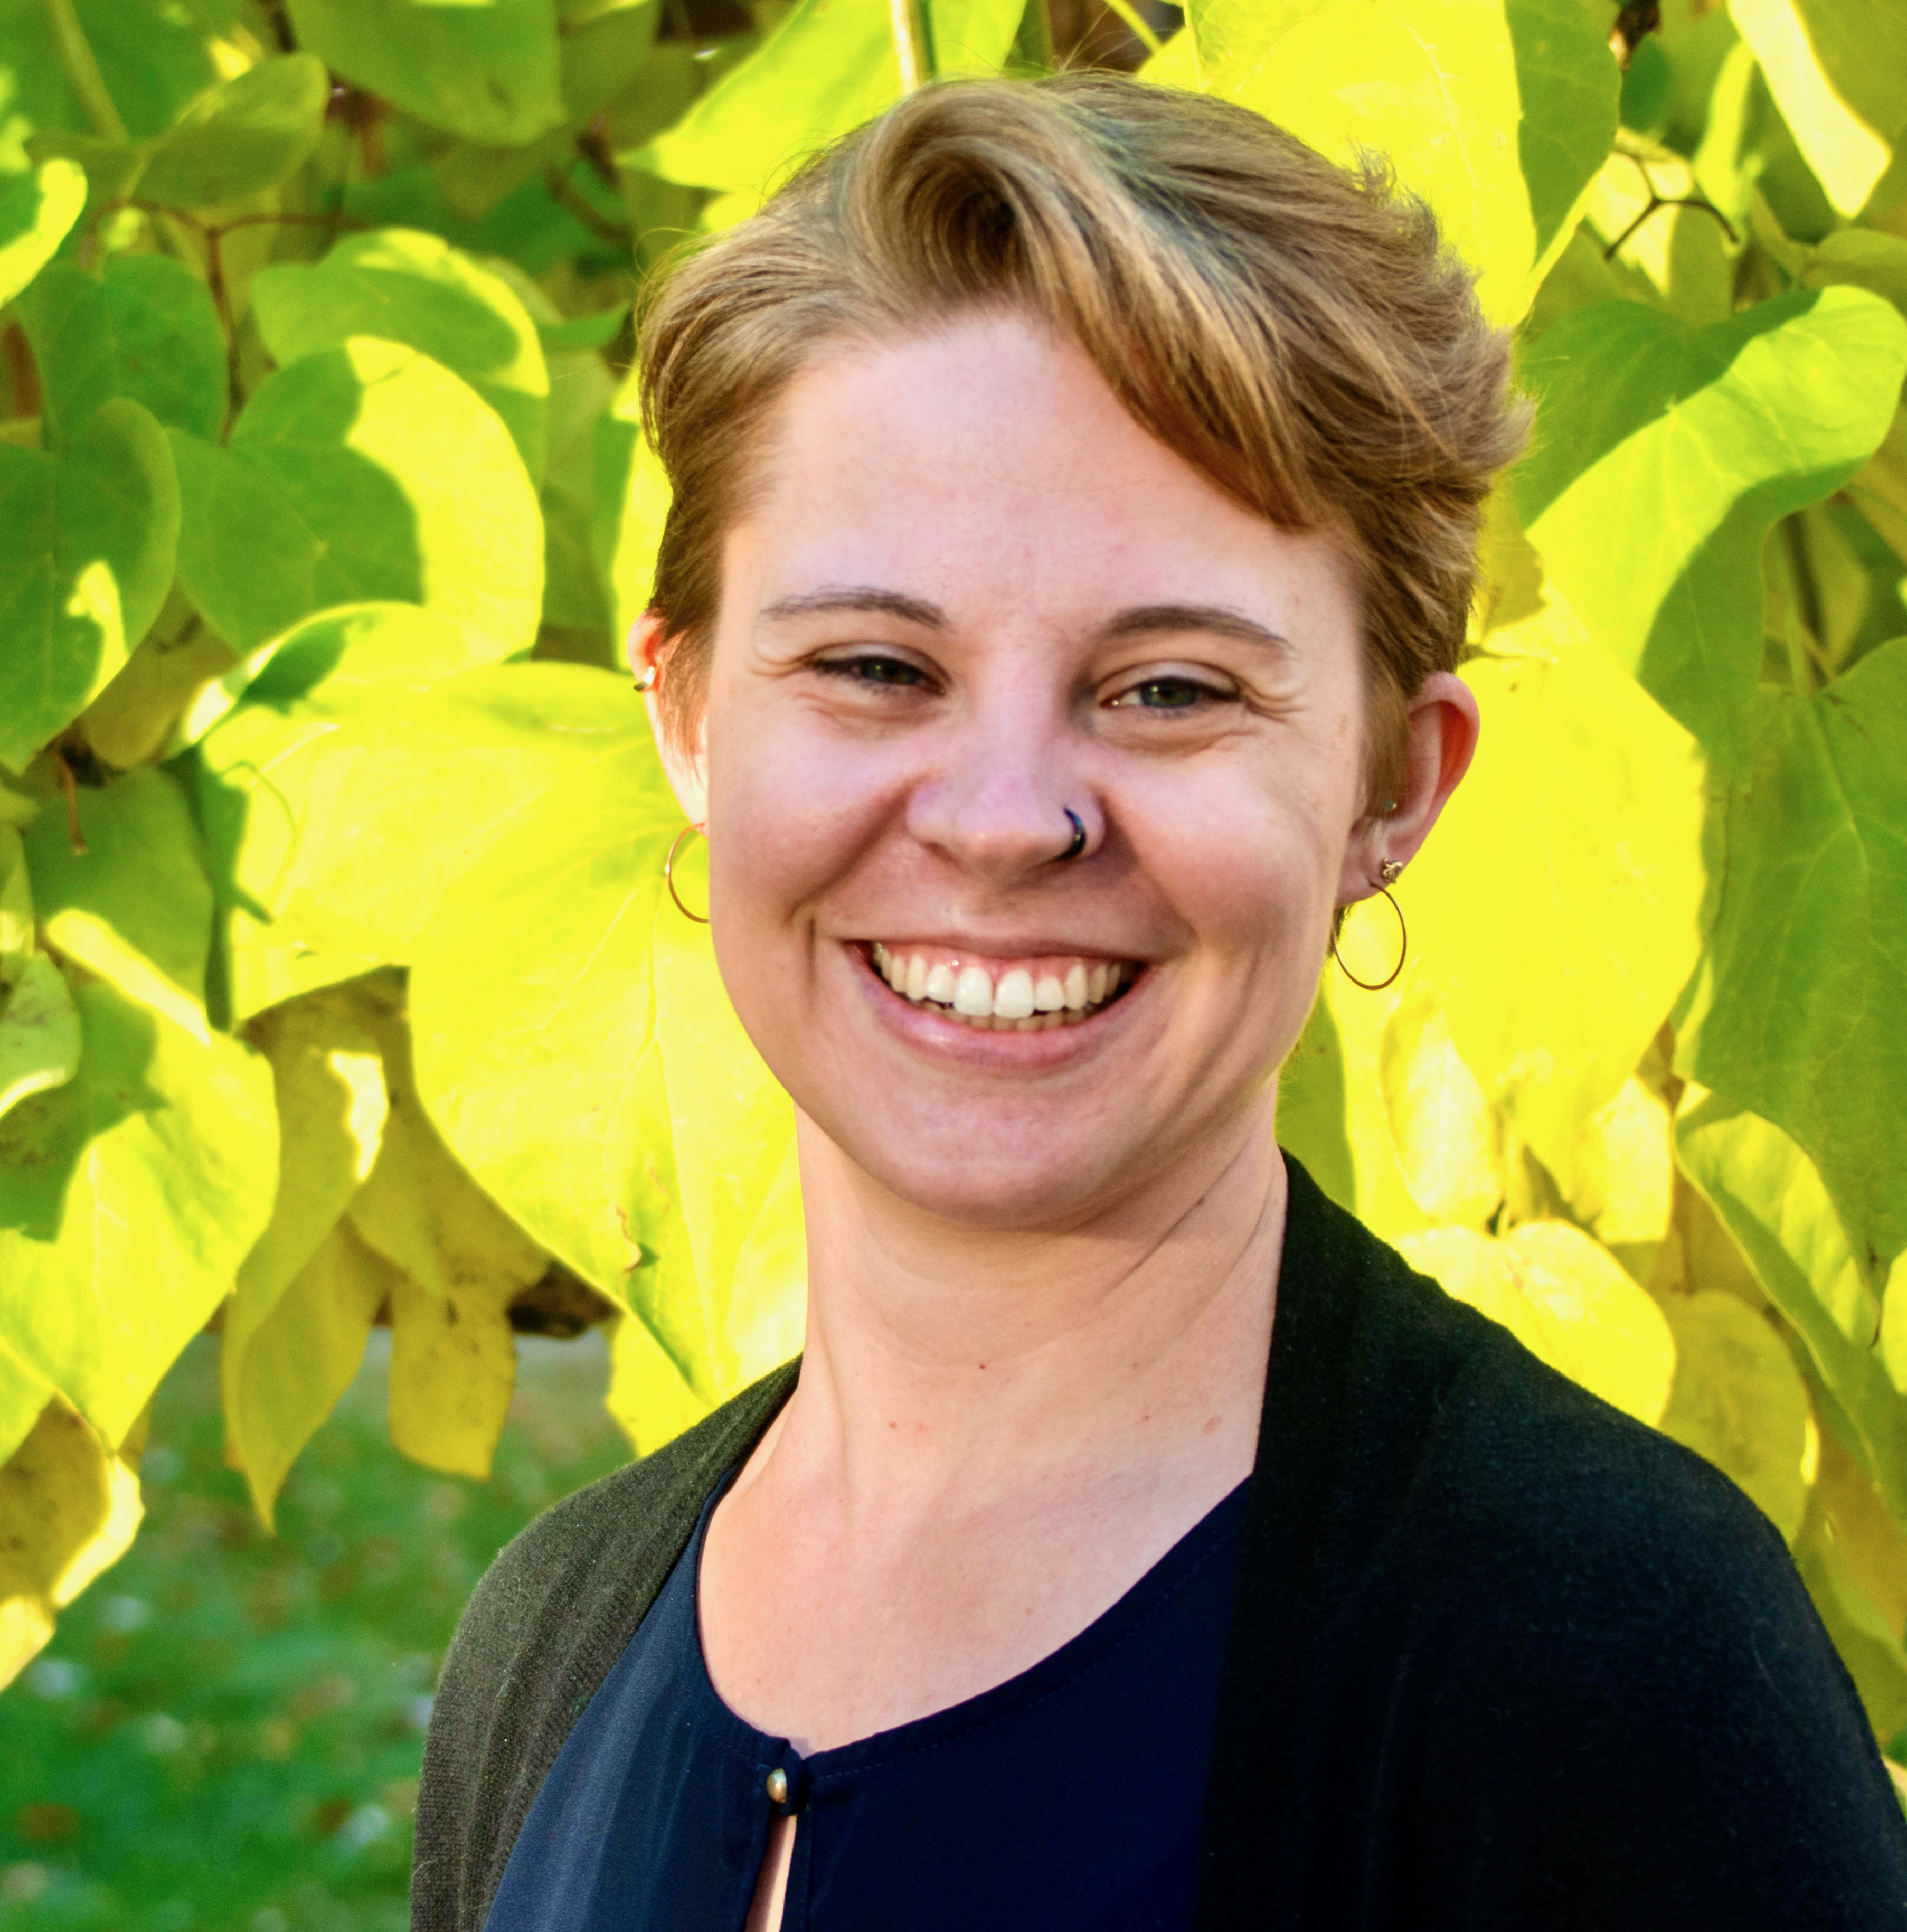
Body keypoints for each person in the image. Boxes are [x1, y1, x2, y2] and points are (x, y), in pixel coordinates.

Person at [411, 73, 1907, 1932]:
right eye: (877, 665)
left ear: (1391, 787)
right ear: (692, 717)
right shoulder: (555, 1635)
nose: (1005, 816)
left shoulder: (1601, 1666)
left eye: (1171, 689)